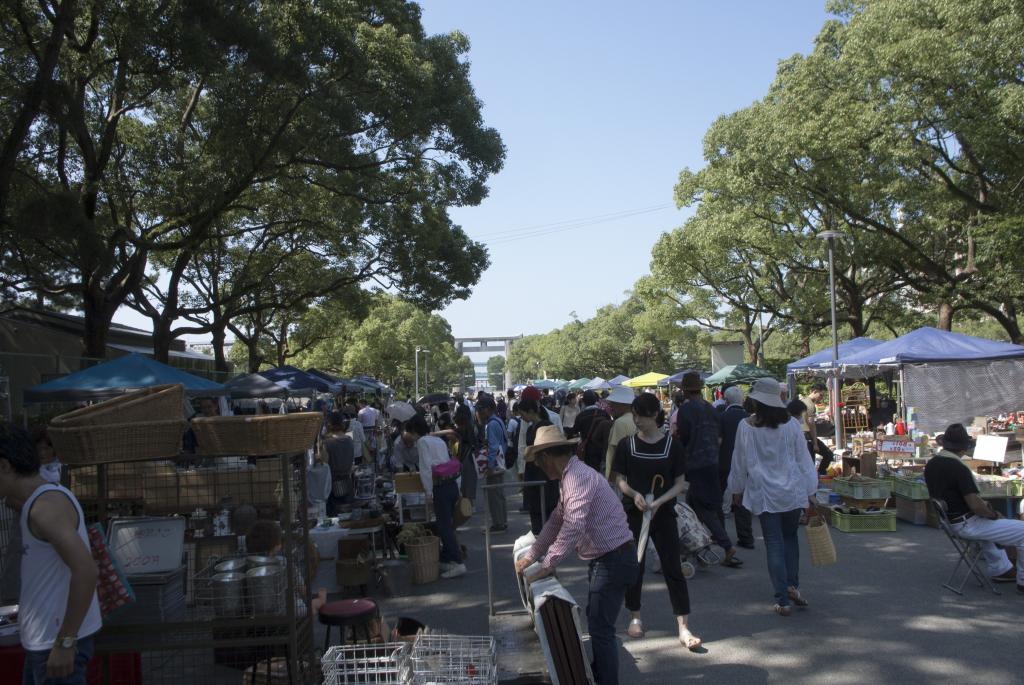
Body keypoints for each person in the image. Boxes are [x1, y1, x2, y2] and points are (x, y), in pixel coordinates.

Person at [514, 426, 638, 685]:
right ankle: (599, 673)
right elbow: (556, 523)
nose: (538, 467)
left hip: (613, 559)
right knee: (598, 625)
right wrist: (532, 556)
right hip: (609, 558)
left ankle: (605, 679)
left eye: (538, 462)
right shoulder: (571, 477)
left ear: (546, 458)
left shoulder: (577, 478)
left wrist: (547, 565)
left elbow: (573, 525)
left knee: (601, 630)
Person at [0, 422, 101, 684]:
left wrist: (66, 642)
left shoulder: (46, 507)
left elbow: (86, 571)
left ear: (4, 466)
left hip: (55, 644)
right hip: (44, 641)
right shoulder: (36, 502)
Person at [611, 393, 701, 650]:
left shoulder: (672, 446)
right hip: (633, 513)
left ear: (654, 415)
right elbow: (619, 479)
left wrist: (661, 501)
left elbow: (681, 482)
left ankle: (683, 627)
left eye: (640, 415)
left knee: (673, 568)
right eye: (634, 414)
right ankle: (635, 616)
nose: (636, 419)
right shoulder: (627, 445)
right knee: (634, 566)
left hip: (663, 515)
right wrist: (634, 494)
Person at [728, 378, 818, 616]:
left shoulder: (746, 426)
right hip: (792, 491)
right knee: (790, 540)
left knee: (774, 544)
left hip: (764, 492)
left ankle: (782, 599)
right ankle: (792, 586)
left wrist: (736, 490)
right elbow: (803, 459)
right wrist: (811, 490)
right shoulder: (791, 425)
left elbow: (739, 461)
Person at [924, 423, 1024, 592]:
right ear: (963, 448)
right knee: (1021, 531)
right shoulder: (958, 468)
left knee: (990, 523)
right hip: (966, 523)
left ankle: (1001, 568)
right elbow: (975, 505)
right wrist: (993, 514)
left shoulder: (932, 464)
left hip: (950, 521)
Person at [676, 372, 742, 568]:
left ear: (685, 391)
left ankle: (726, 545)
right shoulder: (711, 409)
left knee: (703, 509)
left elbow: (683, 438)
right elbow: (719, 437)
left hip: (695, 463)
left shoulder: (685, 410)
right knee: (695, 506)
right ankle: (698, 550)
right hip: (712, 461)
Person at [404, 415, 465, 579]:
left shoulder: (423, 442)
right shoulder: (438, 440)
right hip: (452, 484)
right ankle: (447, 559)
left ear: (414, 431)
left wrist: (428, 491)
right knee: (449, 525)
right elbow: (446, 461)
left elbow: (425, 468)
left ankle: (457, 562)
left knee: (443, 526)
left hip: (440, 487)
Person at [718, 386, 754, 549]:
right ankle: (746, 536)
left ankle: (720, 535)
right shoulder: (749, 418)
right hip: (746, 463)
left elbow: (718, 441)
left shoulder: (722, 417)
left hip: (725, 461)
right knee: (742, 501)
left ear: (726, 400)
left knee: (719, 498)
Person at [518, 396, 560, 534]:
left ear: (531, 411)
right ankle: (540, 537)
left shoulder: (545, 426)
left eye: (522, 413)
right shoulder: (532, 428)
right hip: (534, 472)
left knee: (545, 507)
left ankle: (546, 539)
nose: (521, 417)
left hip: (543, 472)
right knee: (536, 507)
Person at [475, 397, 509, 533]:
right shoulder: (498, 421)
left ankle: (498, 524)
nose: (479, 413)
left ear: (487, 409)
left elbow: (493, 447)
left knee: (494, 495)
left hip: (494, 465)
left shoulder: (491, 424)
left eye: (480, 410)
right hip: (500, 462)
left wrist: (489, 466)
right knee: (499, 494)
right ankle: (502, 521)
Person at [322, 412, 355, 515]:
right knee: (347, 517)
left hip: (333, 486)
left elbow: (324, 465)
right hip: (348, 483)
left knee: (334, 518)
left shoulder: (326, 443)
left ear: (328, 425)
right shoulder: (349, 440)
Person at [573, 390, 612, 473]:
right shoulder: (604, 413)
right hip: (603, 448)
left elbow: (575, 431)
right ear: (596, 400)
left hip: (588, 449)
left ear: (583, 401)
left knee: (590, 472)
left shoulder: (581, 415)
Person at [603, 386, 637, 481]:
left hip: (618, 476)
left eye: (614, 404)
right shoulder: (637, 419)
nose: (611, 407)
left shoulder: (620, 422)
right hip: (630, 474)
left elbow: (616, 451)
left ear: (622, 405)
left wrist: (612, 477)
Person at [801, 383, 834, 475]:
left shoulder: (802, 401)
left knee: (811, 462)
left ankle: (818, 475)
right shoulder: (810, 405)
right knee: (827, 455)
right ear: (814, 392)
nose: (821, 398)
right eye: (821, 395)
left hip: (804, 436)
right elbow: (812, 425)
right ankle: (818, 476)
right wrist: (815, 443)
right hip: (807, 437)